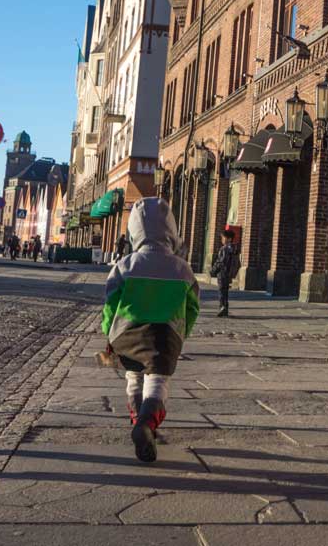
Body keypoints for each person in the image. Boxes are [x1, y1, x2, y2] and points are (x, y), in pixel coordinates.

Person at [102, 198, 199, 464]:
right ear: (171, 230)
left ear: (135, 231)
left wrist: (108, 332)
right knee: (158, 380)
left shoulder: (125, 266)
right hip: (165, 334)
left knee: (134, 376)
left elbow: (110, 305)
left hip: (127, 332)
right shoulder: (182, 269)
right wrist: (182, 333)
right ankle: (147, 423)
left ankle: (137, 420)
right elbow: (193, 307)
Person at [210, 229, 237, 317]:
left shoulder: (224, 249)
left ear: (229, 239)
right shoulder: (232, 248)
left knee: (221, 291)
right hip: (228, 273)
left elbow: (221, 261)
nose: (222, 239)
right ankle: (225, 308)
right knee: (225, 291)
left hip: (222, 273)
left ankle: (222, 308)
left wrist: (213, 270)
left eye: (223, 238)